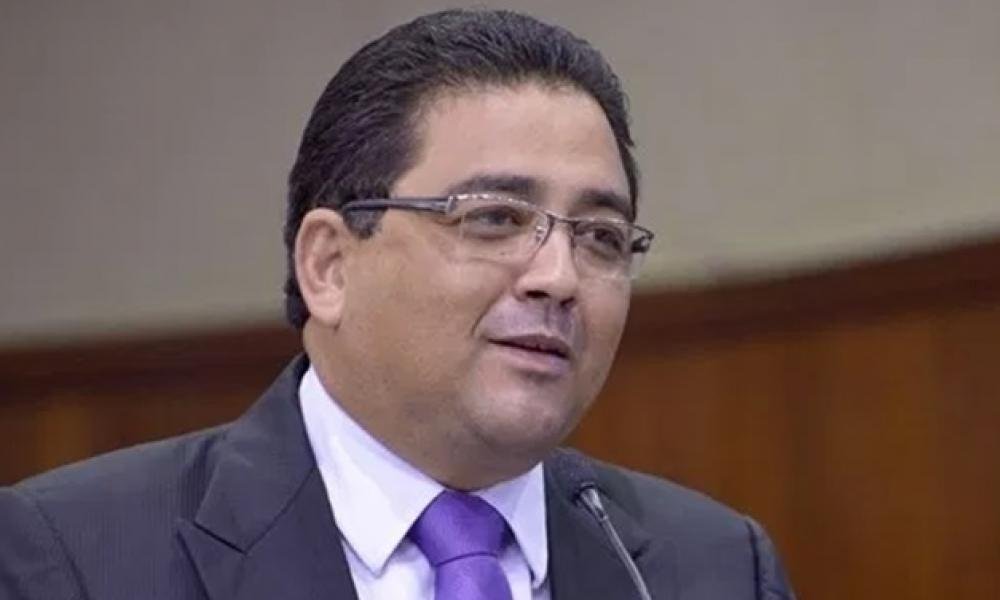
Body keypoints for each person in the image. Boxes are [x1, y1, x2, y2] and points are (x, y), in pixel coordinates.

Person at [0, 9, 794, 600]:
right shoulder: (74, 557)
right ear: (329, 265)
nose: (558, 277)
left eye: (602, 237)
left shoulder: (715, 568)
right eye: (494, 218)